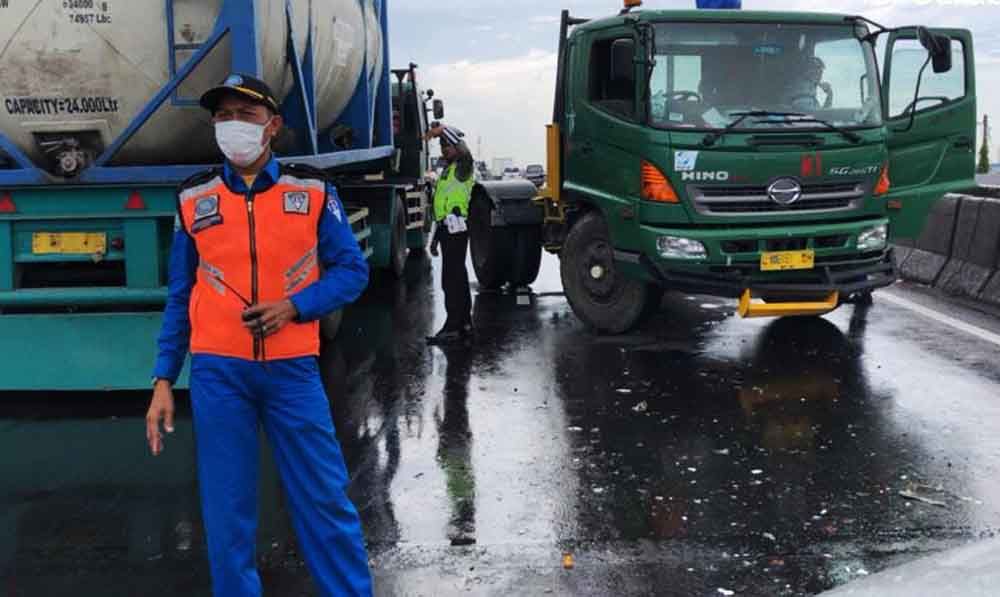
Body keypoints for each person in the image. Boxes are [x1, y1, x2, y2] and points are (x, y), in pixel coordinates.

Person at [144, 73, 373, 597]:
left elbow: (351, 270)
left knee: (324, 500)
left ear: (272, 126)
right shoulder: (193, 198)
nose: (232, 126)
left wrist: (296, 306)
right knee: (227, 513)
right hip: (218, 374)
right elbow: (181, 294)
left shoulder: (312, 191)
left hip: (292, 371)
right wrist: (162, 378)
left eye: (245, 116)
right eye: (222, 116)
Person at [424, 124, 475, 345]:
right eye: (442, 146)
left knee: (450, 279)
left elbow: (466, 153)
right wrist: (435, 239)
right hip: (447, 228)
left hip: (458, 228)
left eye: (448, 145)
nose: (444, 149)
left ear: (458, 147)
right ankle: (463, 323)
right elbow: (441, 207)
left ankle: (453, 326)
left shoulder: (464, 166)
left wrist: (442, 130)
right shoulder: (447, 171)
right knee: (458, 277)